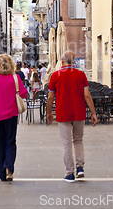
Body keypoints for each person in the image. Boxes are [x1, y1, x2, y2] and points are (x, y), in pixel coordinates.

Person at [47, 50, 98, 183]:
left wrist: (48, 112)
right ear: (74, 61)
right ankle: (80, 167)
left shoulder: (55, 75)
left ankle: (70, 174)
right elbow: (87, 95)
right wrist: (93, 112)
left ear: (62, 61)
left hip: (63, 113)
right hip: (79, 113)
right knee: (78, 140)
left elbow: (51, 97)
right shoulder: (81, 75)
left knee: (67, 144)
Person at [0, 54, 27, 182]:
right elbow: (23, 93)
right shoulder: (15, 78)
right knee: (10, 142)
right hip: (11, 115)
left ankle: (2, 171)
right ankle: (9, 168)